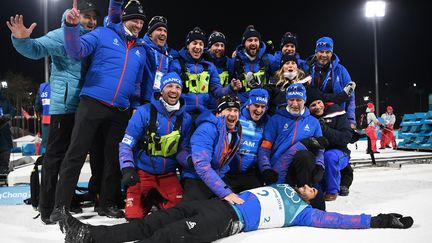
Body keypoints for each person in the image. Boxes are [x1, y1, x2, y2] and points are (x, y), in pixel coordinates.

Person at [49, 0, 147, 222]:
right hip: (92, 102)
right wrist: (71, 27)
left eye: (141, 21)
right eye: (134, 20)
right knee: (76, 153)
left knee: (112, 159)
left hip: (120, 111)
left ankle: (107, 203)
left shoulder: (141, 50)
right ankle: (60, 206)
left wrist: (135, 106)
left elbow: (138, 84)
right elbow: (76, 51)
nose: (138, 25)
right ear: (123, 18)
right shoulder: (103, 34)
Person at [59, 183, 414, 243]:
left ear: (313, 199)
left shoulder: (304, 212)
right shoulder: (282, 184)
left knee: (167, 236)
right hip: (217, 204)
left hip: (229, 221)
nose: (308, 185)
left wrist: (380, 220)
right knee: (152, 221)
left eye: (313, 189)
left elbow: (343, 221)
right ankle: (90, 236)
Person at [6, 0, 99, 224]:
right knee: (54, 158)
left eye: (95, 17)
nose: (92, 21)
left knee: (73, 158)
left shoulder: (92, 39)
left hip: (85, 107)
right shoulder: (61, 34)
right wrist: (21, 39)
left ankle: (65, 200)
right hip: (64, 107)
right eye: (87, 16)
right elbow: (35, 49)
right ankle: (47, 207)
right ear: (76, 15)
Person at [118, 72, 193, 220]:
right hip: (143, 173)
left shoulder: (186, 118)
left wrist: (190, 160)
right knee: (134, 217)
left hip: (168, 175)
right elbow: (127, 143)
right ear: (161, 90)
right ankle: (148, 198)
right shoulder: (143, 112)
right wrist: (127, 168)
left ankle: (157, 198)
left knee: (176, 216)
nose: (174, 90)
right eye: (169, 86)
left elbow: (183, 149)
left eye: (178, 87)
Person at [258, 83, 325, 188]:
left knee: (305, 156)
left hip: (302, 168)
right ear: (286, 100)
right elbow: (265, 148)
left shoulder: (314, 122)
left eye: (299, 100)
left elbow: (320, 148)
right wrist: (266, 168)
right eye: (291, 99)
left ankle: (303, 193)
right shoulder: (275, 119)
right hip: (278, 168)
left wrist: (320, 165)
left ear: (305, 100)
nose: (294, 103)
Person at [180, 94, 243, 204]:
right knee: (192, 214)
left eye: (235, 110)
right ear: (219, 113)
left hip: (217, 176)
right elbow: (201, 165)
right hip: (196, 178)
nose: (232, 114)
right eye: (228, 110)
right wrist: (224, 192)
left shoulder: (235, 131)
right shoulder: (207, 128)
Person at [169, 27, 241, 117]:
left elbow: (216, 91)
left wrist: (230, 87)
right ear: (188, 45)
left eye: (201, 44)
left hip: (204, 113)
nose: (198, 47)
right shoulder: (177, 64)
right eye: (194, 43)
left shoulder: (209, 66)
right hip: (182, 113)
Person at [266, 53, 355, 115]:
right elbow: (263, 96)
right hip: (277, 122)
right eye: (287, 63)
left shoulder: (304, 85)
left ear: (297, 67)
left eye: (293, 63)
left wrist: (343, 95)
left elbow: (323, 96)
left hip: (298, 123)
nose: (290, 65)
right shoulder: (273, 84)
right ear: (282, 68)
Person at [307, 93, 354, 201]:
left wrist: (326, 130)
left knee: (329, 156)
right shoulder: (308, 120)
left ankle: (332, 191)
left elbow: (346, 137)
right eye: (313, 105)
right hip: (318, 154)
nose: (318, 107)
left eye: (319, 102)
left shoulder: (337, 113)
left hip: (338, 152)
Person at [304, 37, 356, 128]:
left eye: (327, 52)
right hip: (312, 114)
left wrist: (351, 119)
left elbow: (350, 97)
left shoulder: (341, 70)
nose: (324, 55)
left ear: (331, 54)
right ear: (316, 53)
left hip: (335, 115)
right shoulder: (307, 68)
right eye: (321, 51)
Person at [224, 88, 269, 193]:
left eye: (263, 107)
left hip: (250, 174)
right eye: (256, 105)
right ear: (248, 104)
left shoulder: (267, 122)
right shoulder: (235, 116)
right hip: (227, 173)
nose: (259, 110)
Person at [232, 25, 274, 103]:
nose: (253, 43)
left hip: (262, 104)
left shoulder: (268, 59)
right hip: (242, 104)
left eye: (256, 40)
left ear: (259, 42)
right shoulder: (235, 60)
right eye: (250, 40)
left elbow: (285, 64)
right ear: (244, 43)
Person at [0, 82, 16, 175]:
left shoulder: (5, 99)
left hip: (4, 132)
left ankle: (4, 170)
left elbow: (12, 111)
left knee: (5, 151)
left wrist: (8, 116)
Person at [34, 81, 51, 154]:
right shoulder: (63, 85)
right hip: (61, 120)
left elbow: (37, 105)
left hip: (46, 120)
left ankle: (45, 163)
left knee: (46, 145)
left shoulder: (43, 87)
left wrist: (42, 113)